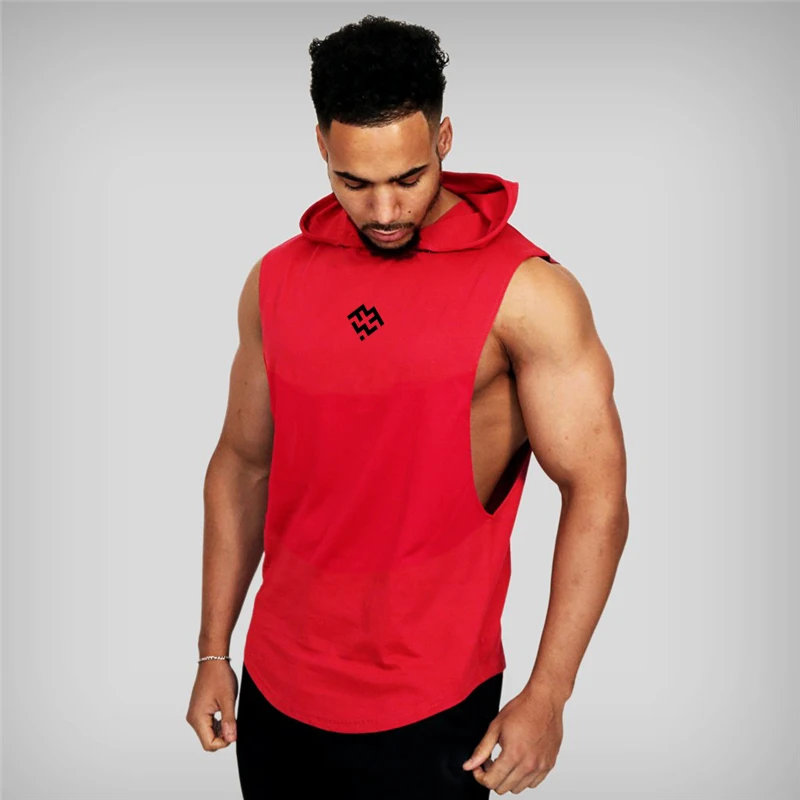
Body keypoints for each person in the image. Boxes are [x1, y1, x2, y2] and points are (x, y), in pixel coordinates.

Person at [185, 14, 629, 799]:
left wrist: (549, 693)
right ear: (322, 148)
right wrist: (213, 651)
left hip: (435, 707)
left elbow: (596, 491)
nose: (385, 210)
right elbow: (242, 464)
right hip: (277, 690)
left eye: (409, 178)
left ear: (444, 139)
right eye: (355, 184)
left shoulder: (529, 295)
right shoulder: (276, 279)